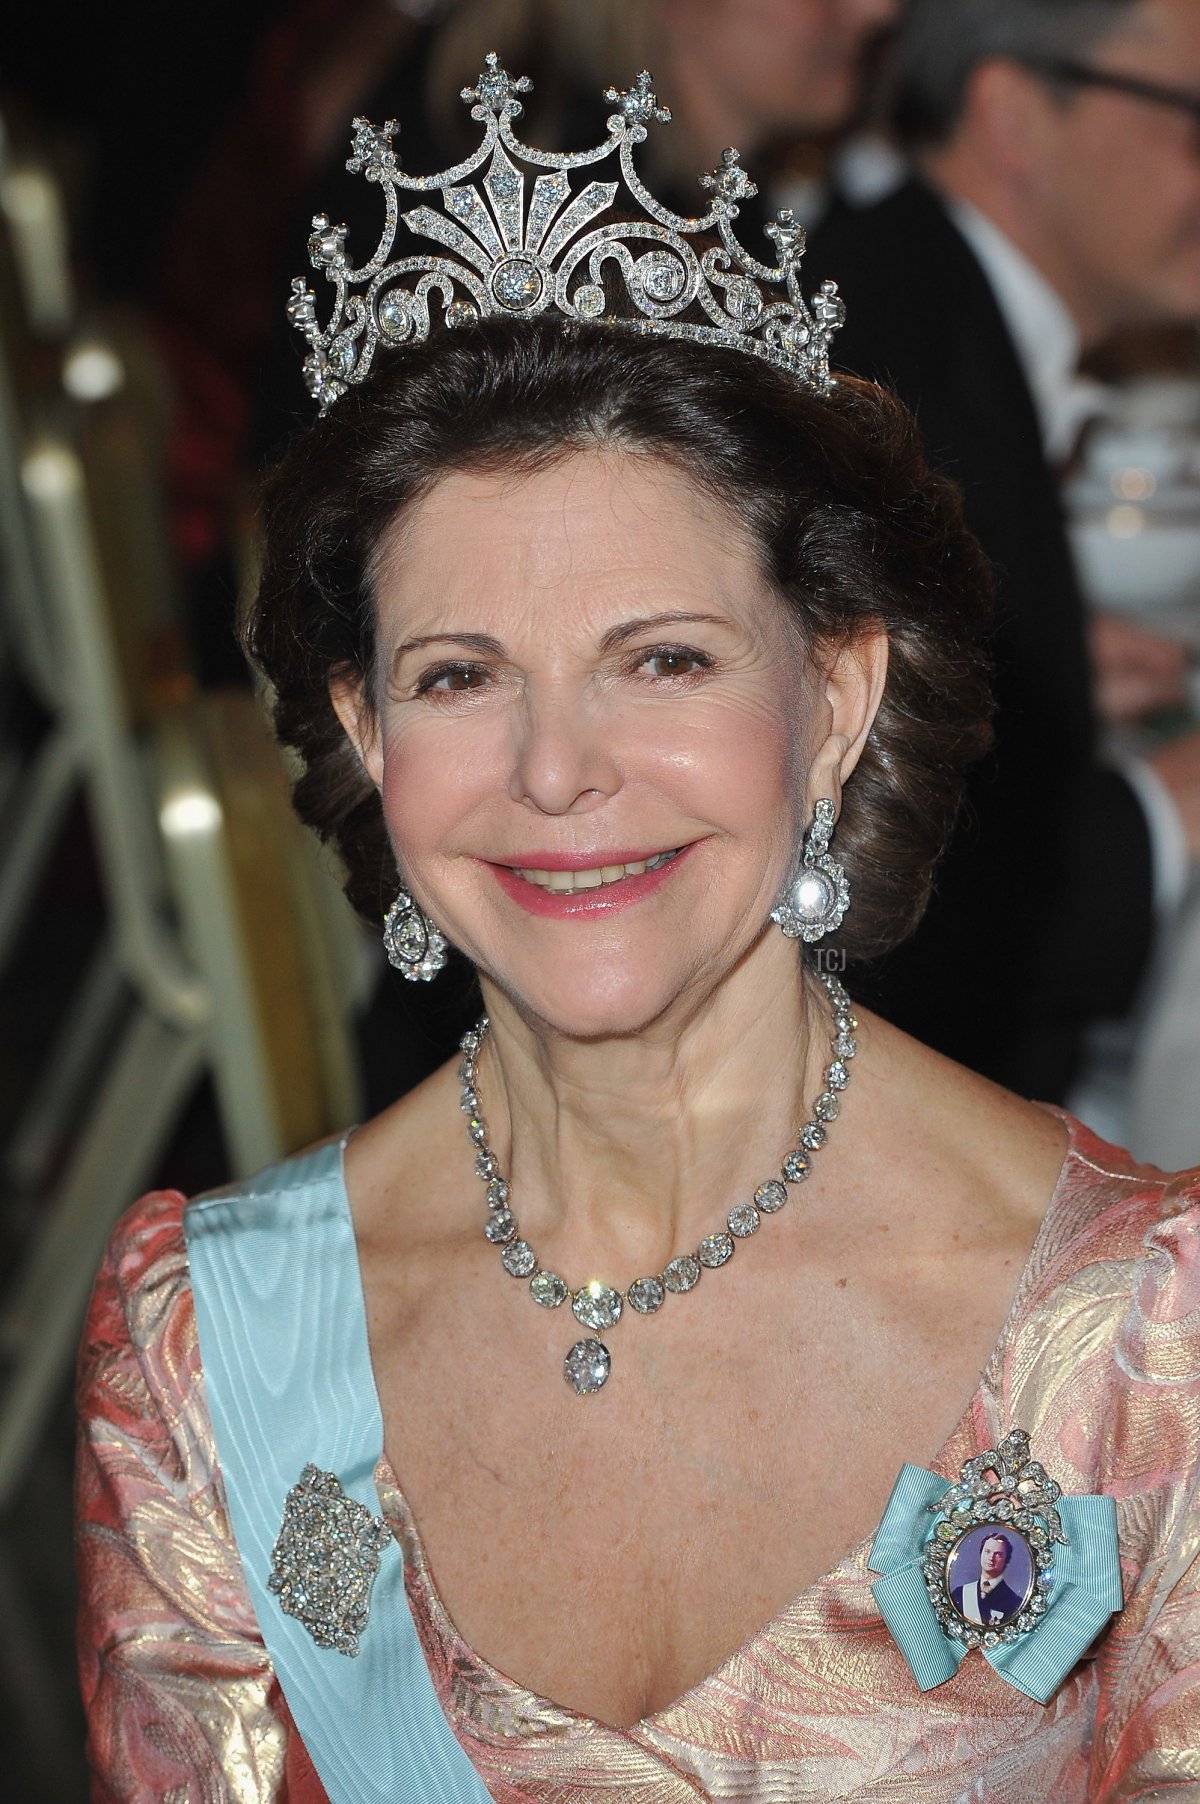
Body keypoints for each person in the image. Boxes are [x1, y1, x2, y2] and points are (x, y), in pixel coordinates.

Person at [76, 57, 1200, 1803]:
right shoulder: (211, 1353)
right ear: (371, 738)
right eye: (462, 678)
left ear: (833, 698)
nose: (555, 770)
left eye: (660, 657)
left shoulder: (1146, 1344)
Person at [809, 0, 1200, 1103]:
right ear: (1014, 115)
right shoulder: (884, 375)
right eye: (1194, 121)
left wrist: (1059, 686)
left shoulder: (930, 302)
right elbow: (882, 919)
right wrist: (1168, 808)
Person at [951, 1533, 1025, 1628]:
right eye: (987, 1551)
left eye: (998, 1554)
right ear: (981, 1553)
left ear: (1006, 1560)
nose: (991, 1558)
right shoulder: (959, 1594)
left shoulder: (1015, 1602)